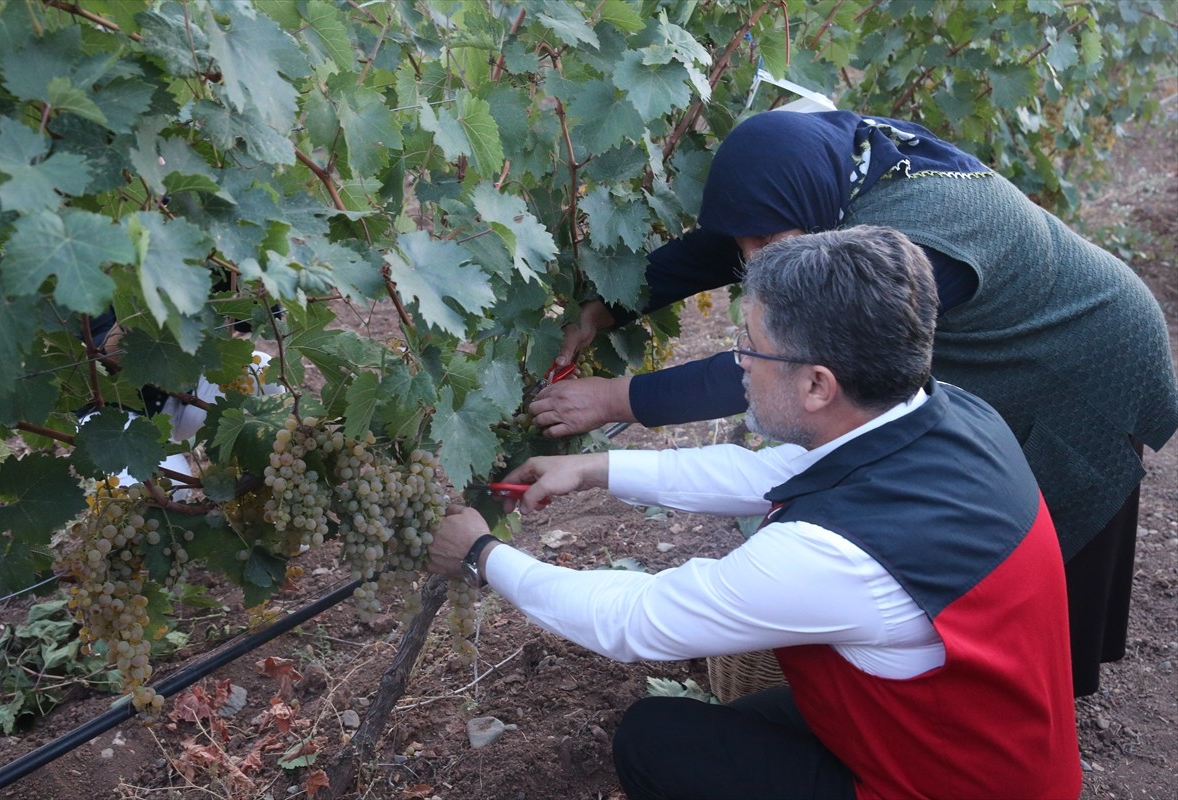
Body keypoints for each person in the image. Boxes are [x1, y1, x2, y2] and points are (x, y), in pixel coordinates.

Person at [527, 109, 1178, 696]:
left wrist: (619, 397)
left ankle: (1031, 687)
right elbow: (749, 225)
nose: (750, 264)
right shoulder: (828, 170)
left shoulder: (915, 246)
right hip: (1057, 318)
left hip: (1088, 354)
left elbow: (780, 368)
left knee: (1039, 509)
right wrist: (604, 310)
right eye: (746, 247)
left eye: (765, 248)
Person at [428, 227, 1082, 799]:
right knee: (755, 718)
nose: (739, 362)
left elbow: (633, 621)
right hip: (987, 757)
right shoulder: (950, 416)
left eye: (752, 347)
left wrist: (484, 557)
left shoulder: (836, 556)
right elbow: (771, 474)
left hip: (946, 789)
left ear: (818, 385)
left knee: (656, 740)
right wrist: (595, 469)